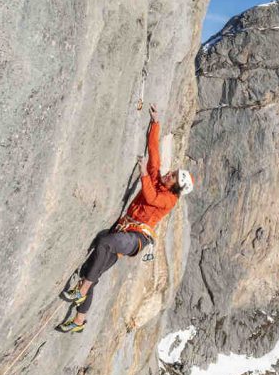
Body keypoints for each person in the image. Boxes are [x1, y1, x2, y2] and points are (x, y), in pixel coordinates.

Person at [56, 104, 194, 333]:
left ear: (177, 187)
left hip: (137, 238)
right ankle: (79, 321)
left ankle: (81, 290)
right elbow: (154, 152)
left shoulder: (169, 200)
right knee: (92, 271)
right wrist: (156, 122)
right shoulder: (159, 179)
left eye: (174, 177)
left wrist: (143, 174)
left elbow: (150, 198)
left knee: (105, 243)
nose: (170, 174)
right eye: (173, 172)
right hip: (126, 229)